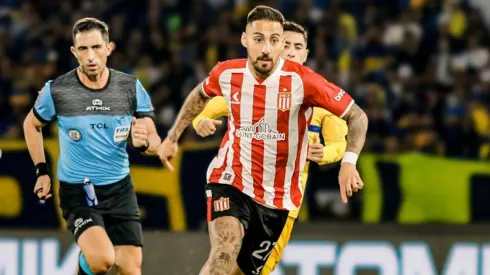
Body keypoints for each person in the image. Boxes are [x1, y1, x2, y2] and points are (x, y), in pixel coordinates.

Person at [158, 5, 368, 275]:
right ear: (245, 40)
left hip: (278, 199)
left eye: (275, 41)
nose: (267, 48)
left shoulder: (306, 84)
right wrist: (175, 135)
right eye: (258, 39)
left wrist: (346, 162)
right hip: (230, 181)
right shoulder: (228, 74)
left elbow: (357, 117)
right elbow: (202, 97)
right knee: (224, 253)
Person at [23, 18, 160, 275]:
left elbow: (153, 139)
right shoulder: (58, 91)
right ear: (74, 52)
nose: (91, 56)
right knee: (103, 260)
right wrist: (41, 171)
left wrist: (146, 144)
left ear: (109, 48)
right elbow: (31, 125)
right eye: (83, 49)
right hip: (79, 191)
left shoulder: (130, 87)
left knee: (131, 269)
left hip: (120, 190)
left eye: (97, 47)